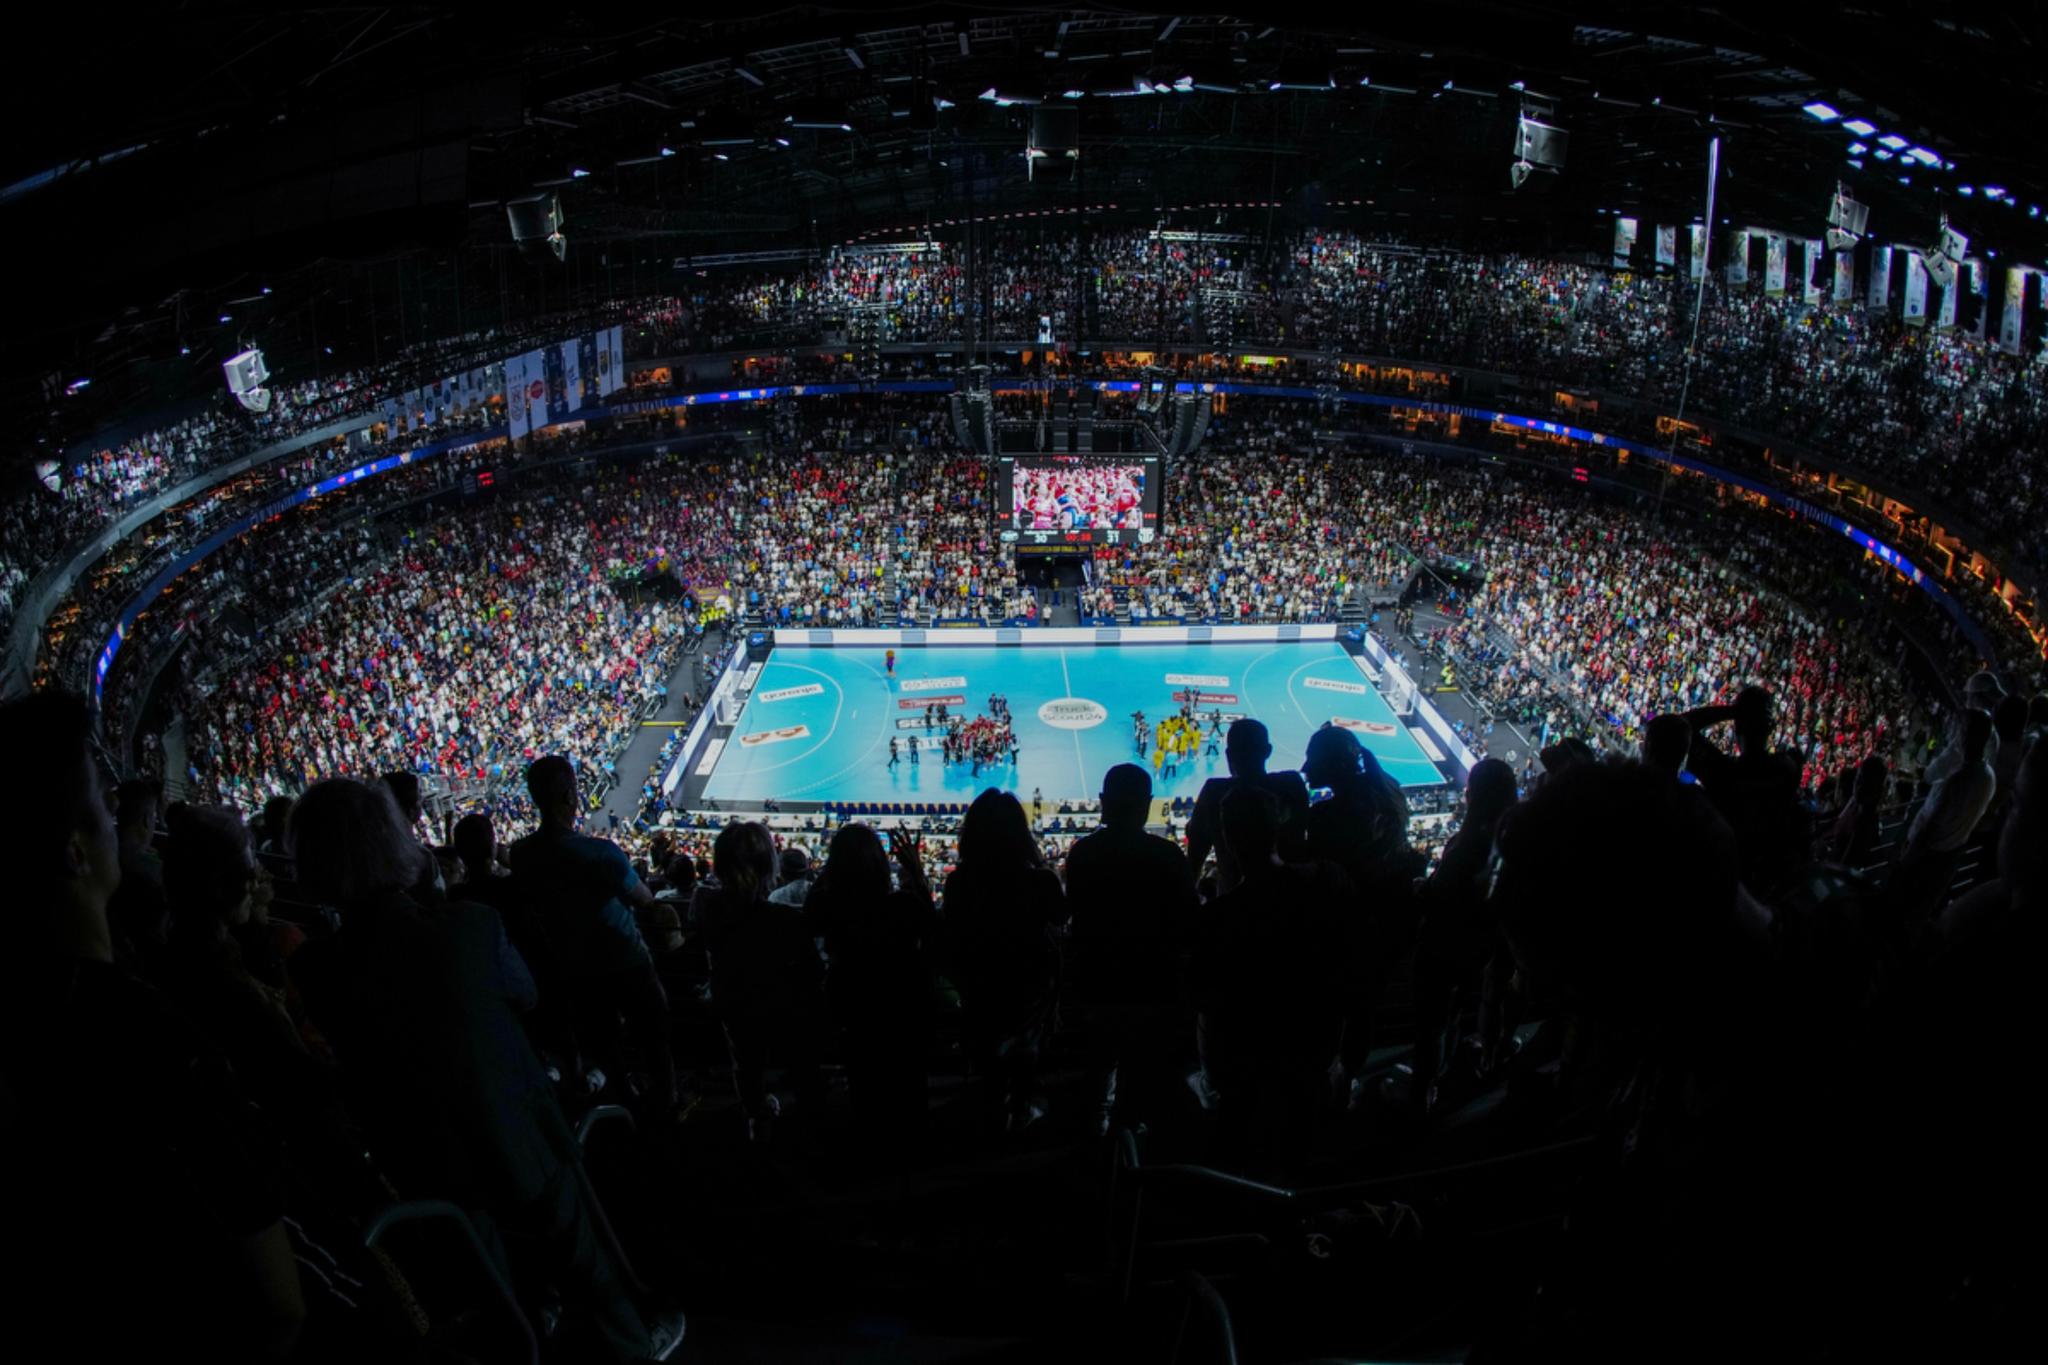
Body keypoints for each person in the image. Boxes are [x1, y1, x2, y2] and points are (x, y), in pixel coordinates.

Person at [290, 778, 682, 1363]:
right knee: (585, 1266)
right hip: (520, 1143)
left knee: (492, 1281)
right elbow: (523, 996)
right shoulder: (468, 926)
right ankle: (631, 1344)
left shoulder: (315, 969)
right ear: (399, 844)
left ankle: (531, 1327)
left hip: (424, 1163)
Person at [0, 693, 306, 1362]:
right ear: (76, 853)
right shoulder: (138, 1029)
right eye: (108, 808)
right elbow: (281, 1300)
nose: (126, 830)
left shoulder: (27, 1016)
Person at [1188, 785, 1362, 1178]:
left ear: (1226, 840)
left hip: (1244, 1060)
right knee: (1300, 1138)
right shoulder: (1329, 880)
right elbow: (1354, 957)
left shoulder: (1218, 919)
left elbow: (1202, 998)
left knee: (1242, 1144)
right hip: (1312, 1043)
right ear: (1280, 829)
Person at [509, 756, 681, 1122]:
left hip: (573, 966)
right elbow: (645, 901)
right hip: (625, 958)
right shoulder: (602, 853)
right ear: (572, 796)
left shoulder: (522, 855)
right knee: (654, 1029)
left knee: (604, 1041)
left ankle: (623, 1102)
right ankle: (666, 1103)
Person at [1061, 764, 1199, 1136]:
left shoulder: (1083, 854)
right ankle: (1132, 1155)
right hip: (1153, 989)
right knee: (1143, 1080)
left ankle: (1094, 1149)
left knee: (1096, 1076)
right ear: (1147, 805)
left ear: (1104, 803)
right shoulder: (1169, 856)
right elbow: (1189, 923)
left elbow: (1073, 916)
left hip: (1098, 986)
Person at [804, 824, 940, 1156]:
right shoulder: (902, 905)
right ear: (883, 865)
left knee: (862, 1074)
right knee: (909, 1076)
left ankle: (869, 1142)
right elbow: (935, 930)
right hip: (903, 1004)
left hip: (851, 1003)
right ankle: (914, 1144)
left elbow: (810, 912)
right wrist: (915, 870)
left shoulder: (829, 907)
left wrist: (833, 867)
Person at [685, 822, 825, 1141]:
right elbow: (813, 971)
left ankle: (755, 1114)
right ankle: (807, 1118)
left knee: (745, 1062)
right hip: (782, 1011)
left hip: (730, 1003)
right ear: (768, 867)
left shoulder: (705, 904)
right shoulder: (785, 919)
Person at [942, 789, 1066, 1130]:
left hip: (980, 989)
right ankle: (1021, 1107)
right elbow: (1061, 922)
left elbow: (950, 938)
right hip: (1029, 994)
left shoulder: (958, 883)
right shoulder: (1041, 881)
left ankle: (992, 1108)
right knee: (1024, 1052)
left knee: (989, 1061)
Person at [1681, 686, 1809, 894]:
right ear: (1770, 728)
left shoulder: (1723, 772)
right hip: (1765, 885)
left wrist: (1732, 711)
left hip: (1720, 876)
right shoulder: (1785, 769)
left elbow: (1680, 724)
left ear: (1737, 727)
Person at [1185, 718, 1310, 893]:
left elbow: (1195, 858)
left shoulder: (1213, 792)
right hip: (1292, 898)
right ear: (1267, 751)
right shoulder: (1291, 784)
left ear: (1229, 754)